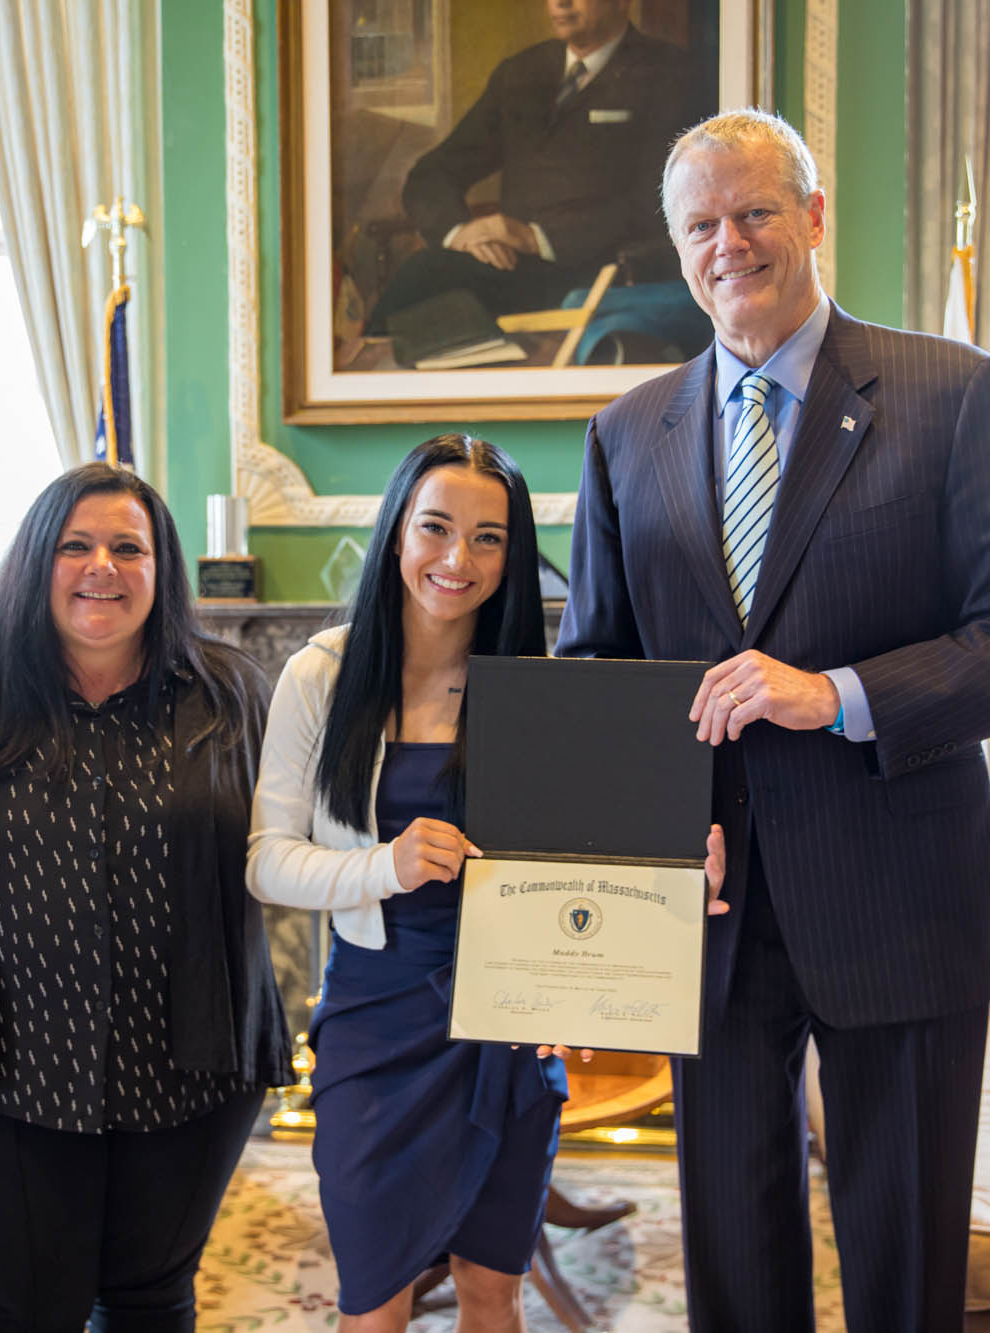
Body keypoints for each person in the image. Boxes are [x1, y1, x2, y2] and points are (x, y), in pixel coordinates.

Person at [557, 109, 990, 1332]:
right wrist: (649, 826)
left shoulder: (948, 394)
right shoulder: (625, 432)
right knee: (733, 1267)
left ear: (809, 216)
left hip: (900, 900)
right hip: (706, 915)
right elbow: (602, 670)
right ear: (675, 247)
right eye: (699, 225)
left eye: (752, 212)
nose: (727, 243)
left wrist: (833, 694)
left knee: (903, 1267)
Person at [247, 435, 726, 1329]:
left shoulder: (541, 694)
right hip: (375, 1020)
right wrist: (381, 865)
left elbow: (594, 864)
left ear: (513, 558)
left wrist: (677, 865)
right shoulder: (320, 675)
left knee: (491, 1289)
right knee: (374, 1296)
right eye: (435, 528)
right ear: (397, 534)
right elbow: (266, 859)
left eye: (490, 538)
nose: (457, 560)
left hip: (509, 1017)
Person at [0, 463, 291, 1333]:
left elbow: (318, 836)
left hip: (193, 1070)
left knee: (149, 1302)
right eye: (76, 546)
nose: (103, 566)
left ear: (161, 571)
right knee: (23, 1310)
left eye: (128, 547)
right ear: (35, 562)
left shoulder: (233, 692)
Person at [365, 0, 713, 336]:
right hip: (511, 269)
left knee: (427, 278)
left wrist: (536, 238)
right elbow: (432, 174)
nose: (560, 3)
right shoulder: (520, 73)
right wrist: (461, 234)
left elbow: (661, 202)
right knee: (422, 289)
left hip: (606, 272)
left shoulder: (670, 75)